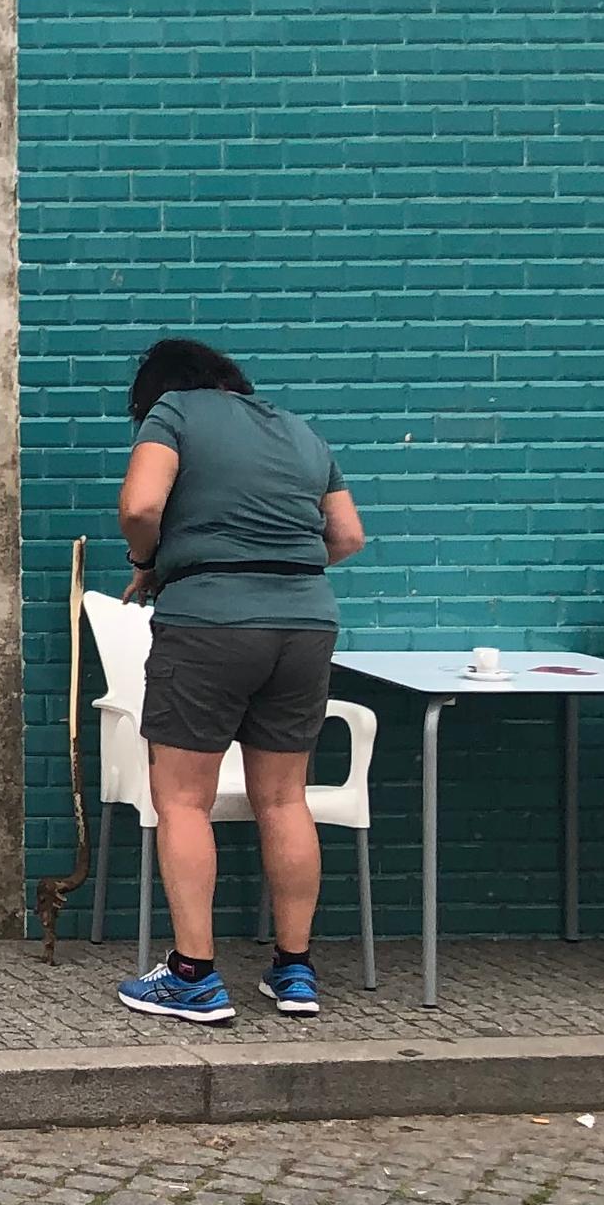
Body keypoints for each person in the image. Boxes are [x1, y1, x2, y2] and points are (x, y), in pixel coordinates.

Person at [112, 337, 368, 1025]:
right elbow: (345, 536)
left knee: (184, 800)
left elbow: (140, 506)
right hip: (306, 625)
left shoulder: (175, 413)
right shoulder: (299, 430)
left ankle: (193, 976)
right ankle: (295, 972)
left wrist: (150, 559)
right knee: (285, 799)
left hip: (209, 624)